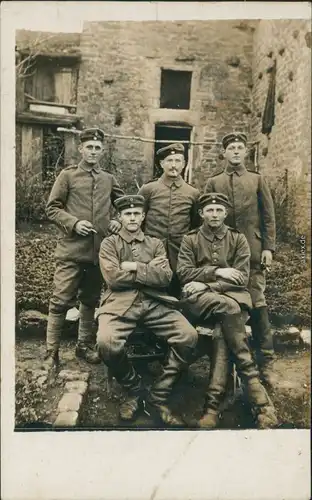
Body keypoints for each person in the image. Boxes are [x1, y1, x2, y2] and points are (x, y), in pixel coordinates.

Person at [177, 193, 278, 429]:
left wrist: (205, 282)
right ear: (201, 213)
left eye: (219, 210)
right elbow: (183, 272)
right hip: (200, 300)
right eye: (209, 210)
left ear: (226, 213)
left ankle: (212, 408)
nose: (214, 215)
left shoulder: (238, 239)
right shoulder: (191, 239)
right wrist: (218, 272)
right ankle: (260, 401)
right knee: (230, 310)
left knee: (225, 330)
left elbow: (242, 278)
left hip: (232, 296)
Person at [96, 194, 198, 427]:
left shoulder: (155, 243)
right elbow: (113, 279)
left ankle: (158, 395)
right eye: (127, 214)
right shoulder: (110, 244)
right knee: (106, 342)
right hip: (119, 303)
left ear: (143, 217)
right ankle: (135, 390)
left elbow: (165, 277)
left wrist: (132, 266)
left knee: (188, 336)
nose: (132, 218)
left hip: (155, 302)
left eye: (136, 214)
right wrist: (147, 271)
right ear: (120, 217)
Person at [45, 127, 123, 367]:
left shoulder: (108, 179)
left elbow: (124, 204)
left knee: (89, 300)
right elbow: (52, 208)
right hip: (71, 251)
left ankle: (83, 346)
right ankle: (51, 352)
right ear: (81, 149)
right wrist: (74, 223)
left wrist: (117, 221)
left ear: (103, 151)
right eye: (89, 147)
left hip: (98, 252)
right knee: (60, 299)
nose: (93, 151)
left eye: (97, 148)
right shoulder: (67, 176)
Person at [205, 133, 276, 387]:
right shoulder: (214, 182)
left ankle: (265, 359)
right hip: (223, 253)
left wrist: (268, 248)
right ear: (223, 153)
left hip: (254, 252)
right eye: (230, 148)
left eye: (239, 148)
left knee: (257, 302)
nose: (235, 152)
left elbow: (268, 217)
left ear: (245, 152)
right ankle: (226, 360)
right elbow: (206, 218)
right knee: (228, 303)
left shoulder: (257, 180)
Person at [138, 143, 200, 296]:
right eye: (169, 160)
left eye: (178, 161)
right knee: (150, 291)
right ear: (161, 163)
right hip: (151, 251)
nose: (174, 165)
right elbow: (138, 220)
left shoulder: (192, 193)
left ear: (184, 164)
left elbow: (195, 225)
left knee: (176, 292)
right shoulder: (148, 190)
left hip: (180, 252)